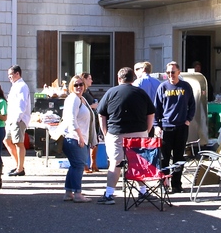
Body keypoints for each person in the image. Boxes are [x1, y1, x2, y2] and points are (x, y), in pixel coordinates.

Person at [96, 67, 155, 205]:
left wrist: (105, 132)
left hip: (116, 132)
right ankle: (142, 192)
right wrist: (147, 130)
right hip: (139, 132)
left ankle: (109, 194)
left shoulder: (111, 92)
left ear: (118, 78)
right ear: (133, 79)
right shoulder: (140, 93)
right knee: (139, 161)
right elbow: (151, 113)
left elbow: (101, 113)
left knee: (115, 163)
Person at [154, 61, 195, 194]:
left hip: (181, 126)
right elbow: (157, 108)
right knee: (164, 158)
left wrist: (188, 119)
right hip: (166, 126)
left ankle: (176, 185)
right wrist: (156, 125)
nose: (170, 74)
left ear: (179, 72)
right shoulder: (163, 87)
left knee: (179, 157)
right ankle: (164, 183)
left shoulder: (185, 86)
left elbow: (192, 104)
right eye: (168, 72)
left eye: (173, 72)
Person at [61, 75, 97, 203]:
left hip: (80, 138)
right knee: (79, 166)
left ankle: (69, 192)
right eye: (76, 85)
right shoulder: (73, 99)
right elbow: (71, 120)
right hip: (74, 138)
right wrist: (80, 137)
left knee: (74, 166)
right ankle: (77, 193)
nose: (79, 87)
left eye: (81, 84)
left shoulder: (81, 99)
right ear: (71, 86)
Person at [4, 65, 31, 177]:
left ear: (17, 74)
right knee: (7, 141)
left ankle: (20, 169)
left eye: (11, 75)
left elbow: (22, 103)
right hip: (11, 119)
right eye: (9, 75)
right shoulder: (15, 86)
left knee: (19, 143)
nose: (9, 77)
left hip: (18, 119)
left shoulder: (22, 86)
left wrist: (17, 118)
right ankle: (18, 165)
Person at [81, 72, 100, 172]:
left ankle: (94, 164)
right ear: (84, 79)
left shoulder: (88, 91)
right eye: (89, 78)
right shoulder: (82, 92)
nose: (91, 81)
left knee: (94, 141)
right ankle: (85, 165)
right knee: (86, 141)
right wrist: (92, 106)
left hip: (93, 119)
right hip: (86, 120)